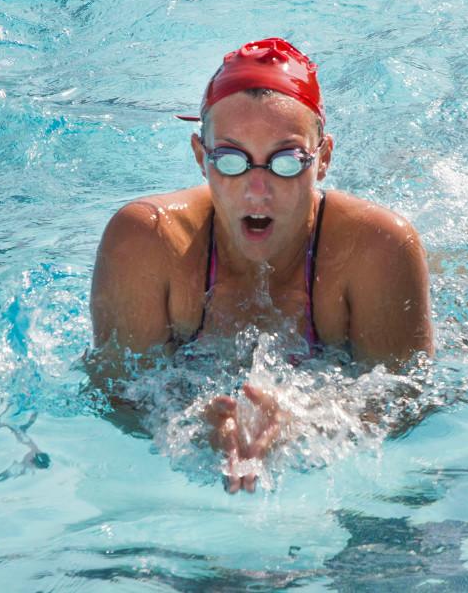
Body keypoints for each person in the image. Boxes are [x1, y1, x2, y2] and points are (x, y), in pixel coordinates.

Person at [90, 38, 433, 493]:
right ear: (200, 157)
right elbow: (114, 395)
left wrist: (309, 427)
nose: (257, 189)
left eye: (286, 161)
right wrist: (189, 430)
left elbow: (407, 403)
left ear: (323, 158)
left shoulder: (377, 249)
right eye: (231, 160)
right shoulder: (147, 242)